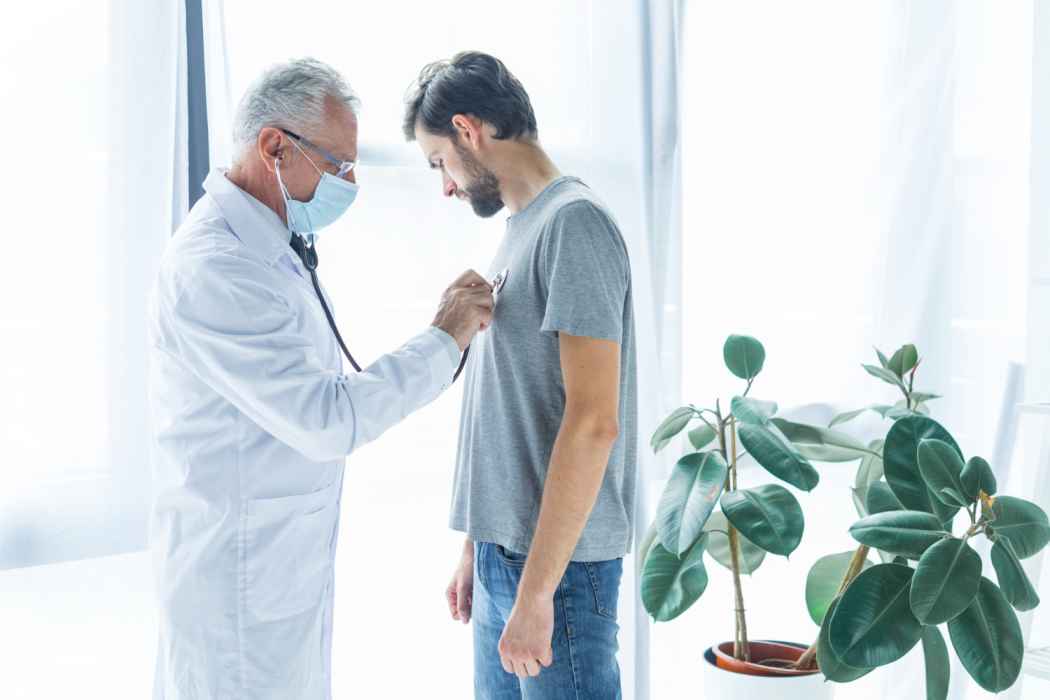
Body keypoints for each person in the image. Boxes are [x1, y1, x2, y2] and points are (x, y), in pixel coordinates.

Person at [147, 57, 493, 699]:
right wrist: (444, 338)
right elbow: (326, 419)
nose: (351, 184)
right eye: (338, 166)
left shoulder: (268, 245)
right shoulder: (216, 268)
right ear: (274, 146)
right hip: (235, 594)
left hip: (277, 576)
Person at [404, 51, 638, 699]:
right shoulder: (522, 231)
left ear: (468, 130)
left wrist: (536, 595)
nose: (445, 185)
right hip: (510, 558)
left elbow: (594, 422)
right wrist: (477, 548)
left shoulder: (574, 224)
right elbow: (515, 410)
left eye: (438, 162)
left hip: (556, 576)